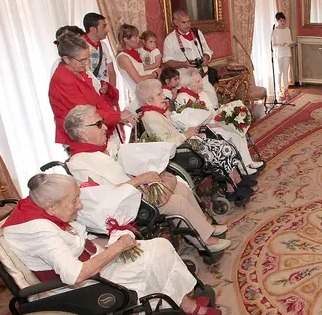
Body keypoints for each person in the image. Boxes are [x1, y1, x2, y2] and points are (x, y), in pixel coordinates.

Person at [2, 173, 222, 315]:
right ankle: (186, 307)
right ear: (51, 206)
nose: (79, 206)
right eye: (75, 201)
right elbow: (74, 275)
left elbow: (79, 243)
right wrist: (117, 248)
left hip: (91, 264)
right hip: (83, 285)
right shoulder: (39, 230)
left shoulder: (39, 208)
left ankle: (180, 301)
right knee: (155, 253)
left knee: (158, 246)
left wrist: (113, 241)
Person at [63, 105, 230, 251]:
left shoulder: (104, 148)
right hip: (126, 205)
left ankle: (203, 229)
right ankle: (204, 241)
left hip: (137, 192)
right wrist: (139, 180)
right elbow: (104, 196)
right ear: (82, 134)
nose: (105, 127)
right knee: (175, 202)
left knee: (180, 187)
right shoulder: (79, 163)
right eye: (98, 124)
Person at [136, 80, 254, 201]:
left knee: (224, 144)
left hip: (187, 143)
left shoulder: (157, 112)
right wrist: (186, 135)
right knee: (225, 149)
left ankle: (236, 180)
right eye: (159, 94)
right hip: (181, 152)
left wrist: (189, 130)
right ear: (148, 101)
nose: (164, 96)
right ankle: (231, 189)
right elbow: (165, 144)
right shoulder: (151, 118)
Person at [49, 35, 134, 150]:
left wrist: (116, 115)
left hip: (93, 125)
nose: (86, 63)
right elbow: (84, 110)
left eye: (87, 58)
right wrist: (117, 117)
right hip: (79, 134)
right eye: (82, 60)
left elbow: (97, 99)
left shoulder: (79, 71)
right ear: (66, 59)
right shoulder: (63, 78)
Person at [177, 72, 265, 174]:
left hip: (214, 123)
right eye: (198, 82)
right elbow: (190, 122)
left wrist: (224, 118)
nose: (202, 84)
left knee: (238, 129)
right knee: (234, 133)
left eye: (201, 80)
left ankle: (247, 162)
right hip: (203, 130)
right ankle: (242, 167)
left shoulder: (202, 94)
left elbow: (212, 111)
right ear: (189, 84)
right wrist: (216, 124)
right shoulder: (183, 98)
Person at [162, 10, 218, 104]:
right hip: (185, 80)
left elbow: (207, 50)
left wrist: (206, 57)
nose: (187, 25)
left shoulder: (197, 33)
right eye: (183, 22)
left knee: (212, 99)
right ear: (175, 22)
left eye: (189, 21)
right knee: (193, 104)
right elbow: (167, 62)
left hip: (201, 76)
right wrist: (183, 64)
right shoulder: (170, 39)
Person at [117, 24, 161, 111]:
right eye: (135, 37)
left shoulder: (135, 53)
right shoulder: (123, 57)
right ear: (126, 39)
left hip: (146, 94)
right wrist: (155, 74)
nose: (138, 40)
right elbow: (138, 80)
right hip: (138, 98)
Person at [83, 12, 116, 87]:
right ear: (93, 29)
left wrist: (112, 91)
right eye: (104, 27)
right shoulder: (81, 46)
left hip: (105, 93)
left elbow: (111, 71)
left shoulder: (103, 45)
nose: (107, 30)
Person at [272, 12, 293, 102]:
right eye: (281, 20)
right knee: (279, 72)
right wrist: (280, 45)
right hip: (278, 53)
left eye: (284, 20)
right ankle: (279, 90)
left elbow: (290, 42)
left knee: (285, 72)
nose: (283, 22)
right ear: (277, 21)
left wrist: (289, 44)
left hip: (286, 52)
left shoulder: (287, 30)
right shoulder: (274, 31)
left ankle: (286, 90)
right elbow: (273, 44)